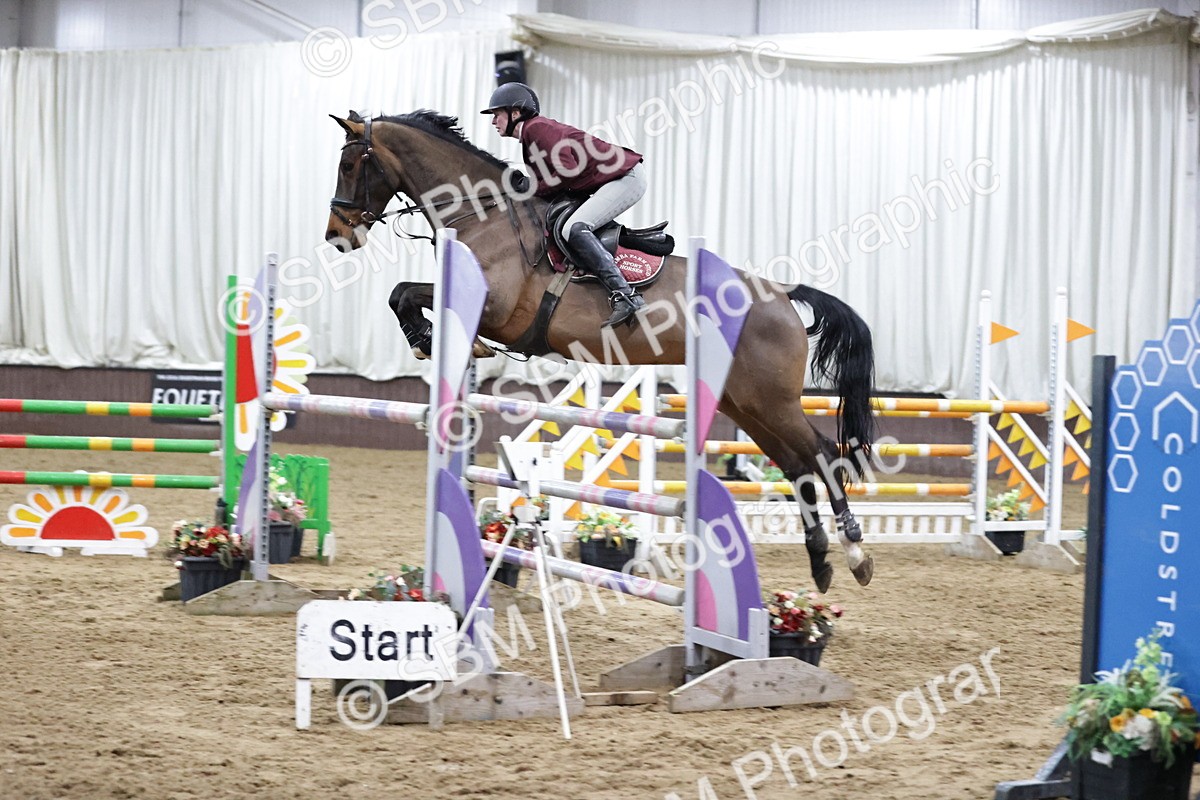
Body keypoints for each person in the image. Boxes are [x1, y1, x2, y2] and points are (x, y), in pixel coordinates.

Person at [481, 82, 647, 328]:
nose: (494, 121)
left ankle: (626, 296)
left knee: (575, 228)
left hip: (626, 177)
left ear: (515, 113)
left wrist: (531, 187)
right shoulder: (532, 134)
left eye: (497, 114)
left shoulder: (536, 129)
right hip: (613, 179)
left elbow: (567, 171)